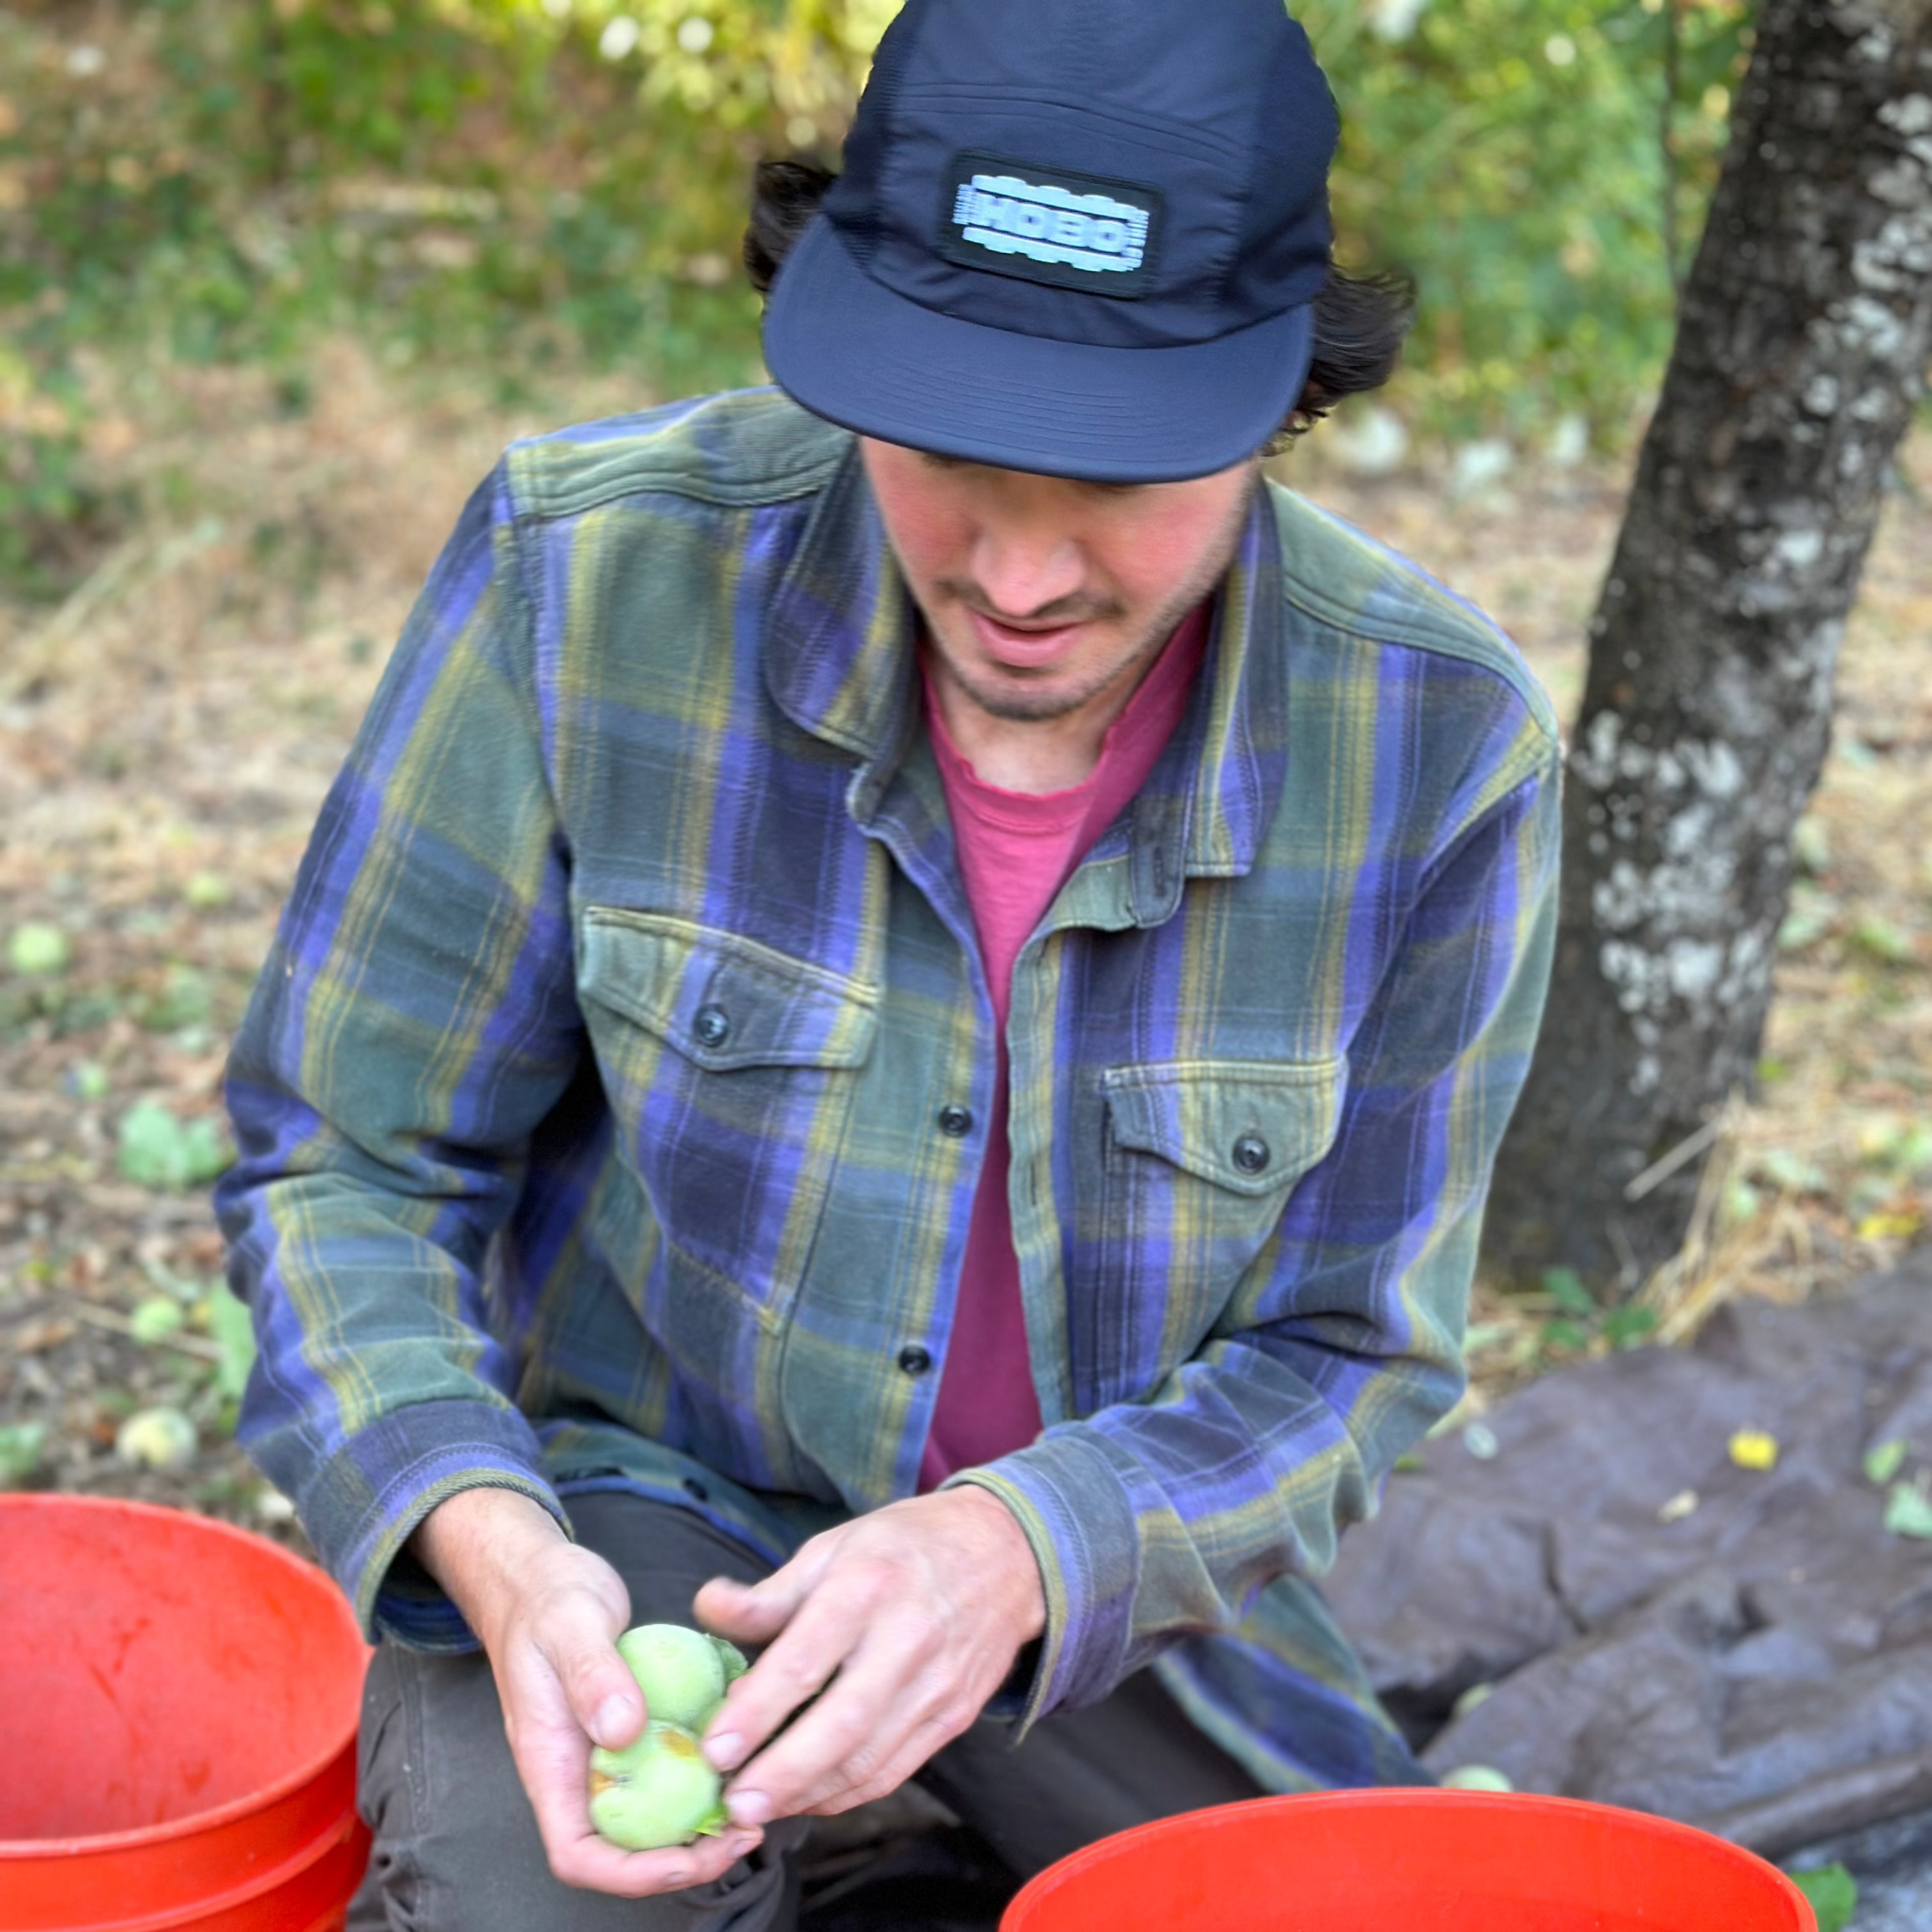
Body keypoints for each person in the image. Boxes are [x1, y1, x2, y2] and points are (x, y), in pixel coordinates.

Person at [216, 0, 1561, 1925]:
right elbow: (343, 1159)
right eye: (946, 457)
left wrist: (1016, 1548)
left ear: (1282, 407)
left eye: (1117, 481)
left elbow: (1350, 1351)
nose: (1020, 582)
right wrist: (497, 1546)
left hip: (1105, 1591)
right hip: (633, 1507)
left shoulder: (1440, 746)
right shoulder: (586, 579)